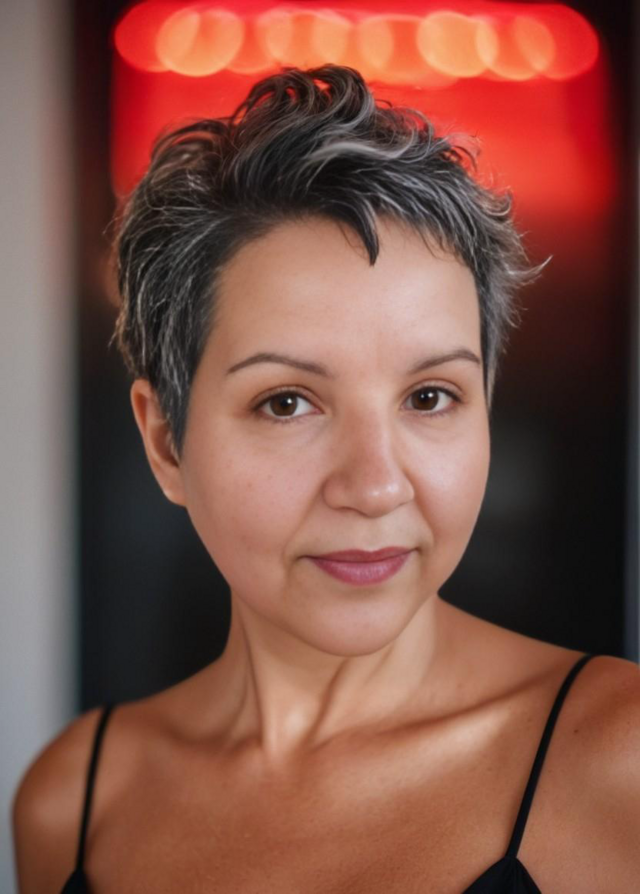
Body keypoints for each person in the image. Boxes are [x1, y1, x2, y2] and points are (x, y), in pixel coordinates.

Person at [12, 64, 640, 893]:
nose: (376, 487)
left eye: (430, 396)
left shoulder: (619, 764)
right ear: (165, 442)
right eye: (287, 403)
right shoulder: (74, 804)